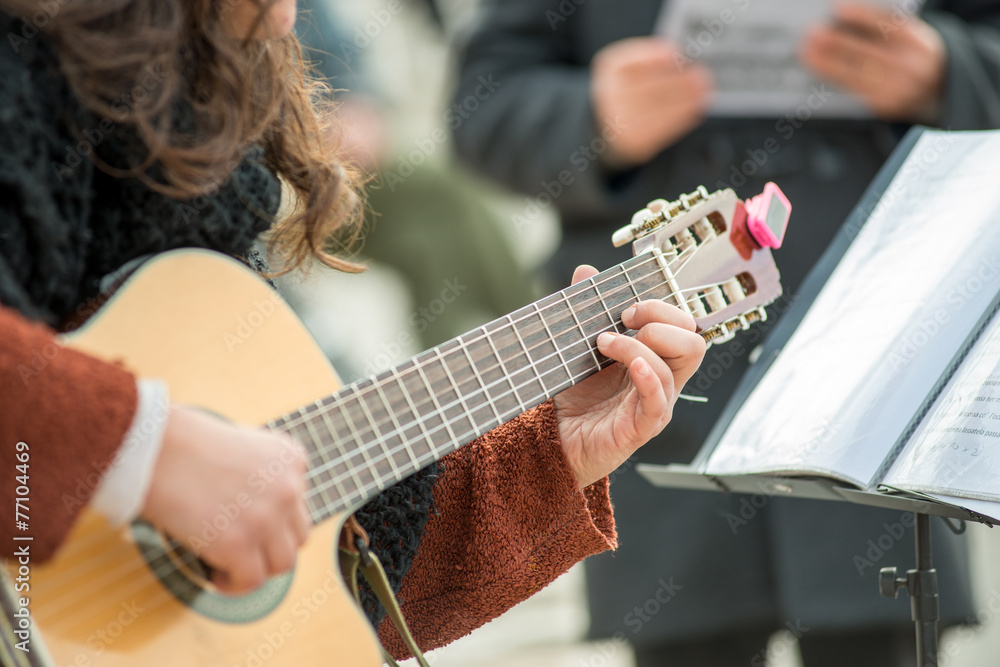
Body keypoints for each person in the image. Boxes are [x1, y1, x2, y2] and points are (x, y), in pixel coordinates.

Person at [0, 0, 705, 660]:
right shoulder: (23, 79)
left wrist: (556, 451)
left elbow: (346, 584)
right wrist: (151, 451)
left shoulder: (202, 123)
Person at [451, 1, 1000, 665]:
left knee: (878, 632)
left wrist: (950, 74)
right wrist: (592, 118)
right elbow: (482, 102)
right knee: (690, 637)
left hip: (875, 333)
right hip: (656, 344)